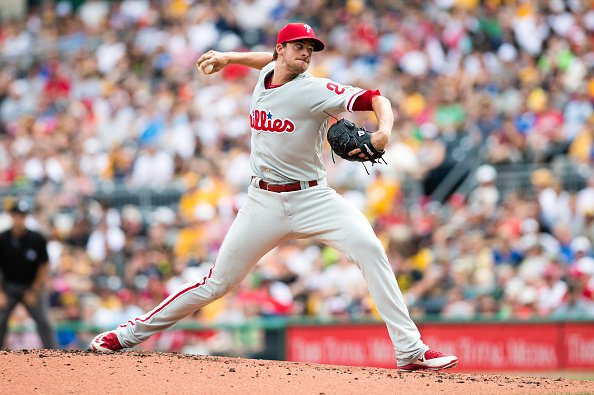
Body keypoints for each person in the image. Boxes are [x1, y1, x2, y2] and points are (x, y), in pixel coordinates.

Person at [90, 22, 458, 371]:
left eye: (310, 49)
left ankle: (410, 350)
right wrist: (228, 57)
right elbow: (263, 60)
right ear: (280, 50)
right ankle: (126, 335)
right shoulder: (268, 73)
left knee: (371, 249)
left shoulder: (313, 89)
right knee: (216, 284)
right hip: (262, 202)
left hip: (314, 199)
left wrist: (384, 133)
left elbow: (379, 100)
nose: (306, 53)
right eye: (299, 47)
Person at [0, 199, 55, 348]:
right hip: (9, 287)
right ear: (12, 216)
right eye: (17, 215)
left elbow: (43, 266)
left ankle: (55, 356)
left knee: (44, 321)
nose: (20, 219)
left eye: (23, 215)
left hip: (31, 285)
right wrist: (1, 292)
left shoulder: (36, 239)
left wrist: (35, 290)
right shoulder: (2, 239)